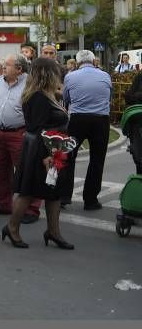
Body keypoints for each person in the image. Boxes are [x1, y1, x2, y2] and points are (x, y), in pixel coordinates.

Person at [2, 57, 73, 250]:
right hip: (43, 152)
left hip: (51, 150)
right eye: (56, 72)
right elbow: (39, 128)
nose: (60, 75)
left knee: (53, 192)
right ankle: (12, 227)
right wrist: (47, 155)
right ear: (48, 74)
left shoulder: (44, 94)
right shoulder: (39, 97)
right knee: (28, 192)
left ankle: (53, 231)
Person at [60, 50, 112, 211]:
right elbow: (109, 97)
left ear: (77, 63)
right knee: (97, 160)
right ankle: (90, 200)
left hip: (78, 119)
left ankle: (64, 196)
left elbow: (66, 99)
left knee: (68, 157)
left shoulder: (70, 77)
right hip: (101, 120)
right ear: (93, 61)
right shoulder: (105, 75)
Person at [0, 54, 31, 216]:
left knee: (25, 171)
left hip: (19, 133)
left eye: (8, 65)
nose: (3, 67)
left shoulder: (30, 83)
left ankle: (31, 210)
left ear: (19, 69)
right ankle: (4, 204)